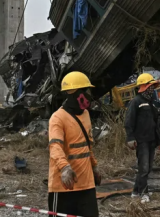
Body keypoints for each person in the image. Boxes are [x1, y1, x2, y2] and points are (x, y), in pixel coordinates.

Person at [47, 71, 101, 217]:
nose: (89, 94)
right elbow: (55, 146)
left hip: (87, 184)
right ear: (75, 94)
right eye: (85, 90)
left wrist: (94, 166)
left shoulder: (86, 114)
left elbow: (87, 146)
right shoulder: (58, 118)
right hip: (64, 185)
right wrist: (65, 168)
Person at [125, 73, 160, 203]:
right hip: (141, 141)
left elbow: (156, 124)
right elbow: (129, 122)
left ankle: (136, 191)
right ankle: (143, 193)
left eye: (153, 87)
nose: (152, 89)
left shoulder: (151, 103)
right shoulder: (136, 102)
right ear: (143, 87)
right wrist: (130, 138)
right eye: (150, 86)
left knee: (147, 168)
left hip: (151, 141)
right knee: (144, 168)